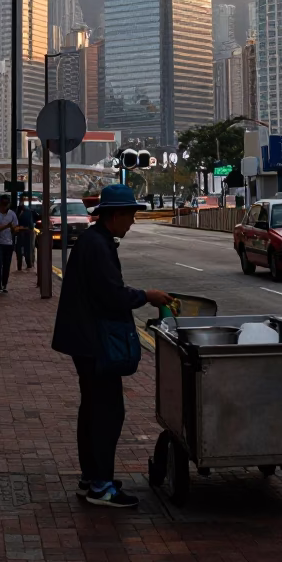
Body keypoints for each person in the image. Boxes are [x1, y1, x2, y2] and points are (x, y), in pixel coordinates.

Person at [52, 183, 173, 509]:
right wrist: (147, 296)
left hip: (83, 338)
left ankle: (92, 477)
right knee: (107, 412)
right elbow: (112, 295)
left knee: (92, 409)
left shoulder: (96, 241)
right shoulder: (98, 245)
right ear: (115, 215)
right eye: (131, 215)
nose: (132, 222)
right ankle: (101, 486)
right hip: (93, 341)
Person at [15, 199, 35, 271]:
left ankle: (28, 264)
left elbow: (30, 225)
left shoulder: (27, 211)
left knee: (27, 250)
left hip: (26, 233)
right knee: (20, 251)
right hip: (20, 233)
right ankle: (21, 265)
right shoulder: (18, 211)